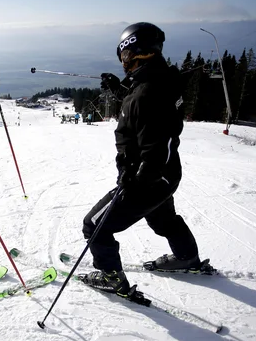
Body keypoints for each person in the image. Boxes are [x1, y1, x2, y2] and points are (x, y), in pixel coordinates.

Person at [80, 22, 201, 295]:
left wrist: (135, 181)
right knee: (163, 219)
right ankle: (187, 257)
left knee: (94, 226)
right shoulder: (159, 81)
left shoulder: (147, 91)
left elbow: (155, 142)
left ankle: (111, 277)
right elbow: (144, 110)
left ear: (132, 52)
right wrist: (118, 90)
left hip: (148, 178)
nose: (124, 62)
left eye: (124, 56)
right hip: (165, 177)